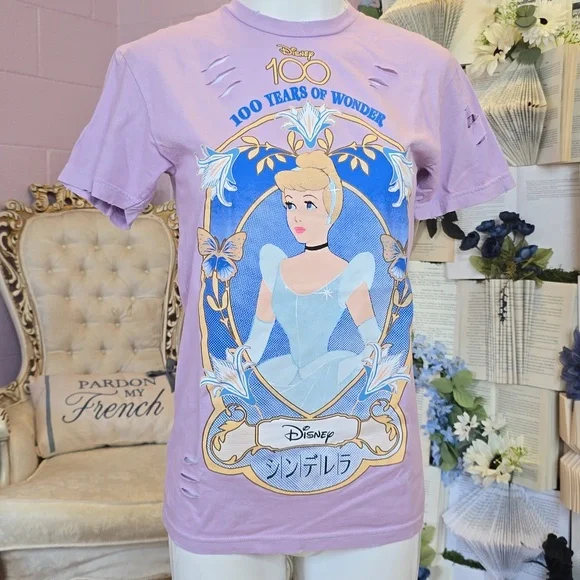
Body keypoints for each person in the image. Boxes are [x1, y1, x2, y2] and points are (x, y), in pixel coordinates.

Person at [245, 151, 381, 413]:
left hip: (329, 375)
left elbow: (373, 341)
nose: (296, 216)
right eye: (290, 205)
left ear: (330, 210)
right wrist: (235, 368)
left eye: (309, 204)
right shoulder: (276, 269)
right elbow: (256, 341)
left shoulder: (348, 274)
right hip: (282, 378)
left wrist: (355, 367)